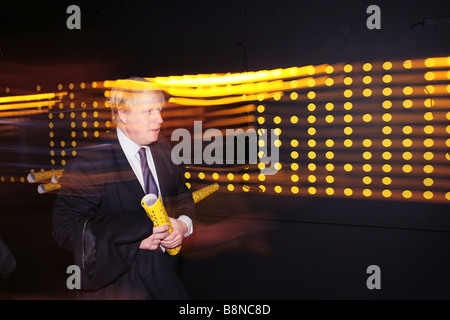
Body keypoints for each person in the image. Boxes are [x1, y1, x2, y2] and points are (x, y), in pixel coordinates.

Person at [52, 77, 195, 299]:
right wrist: (134, 239)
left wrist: (183, 225)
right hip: (116, 288)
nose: (159, 119)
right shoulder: (91, 161)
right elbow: (65, 228)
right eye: (149, 111)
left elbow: (182, 194)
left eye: (159, 110)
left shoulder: (164, 149)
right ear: (123, 114)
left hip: (165, 280)